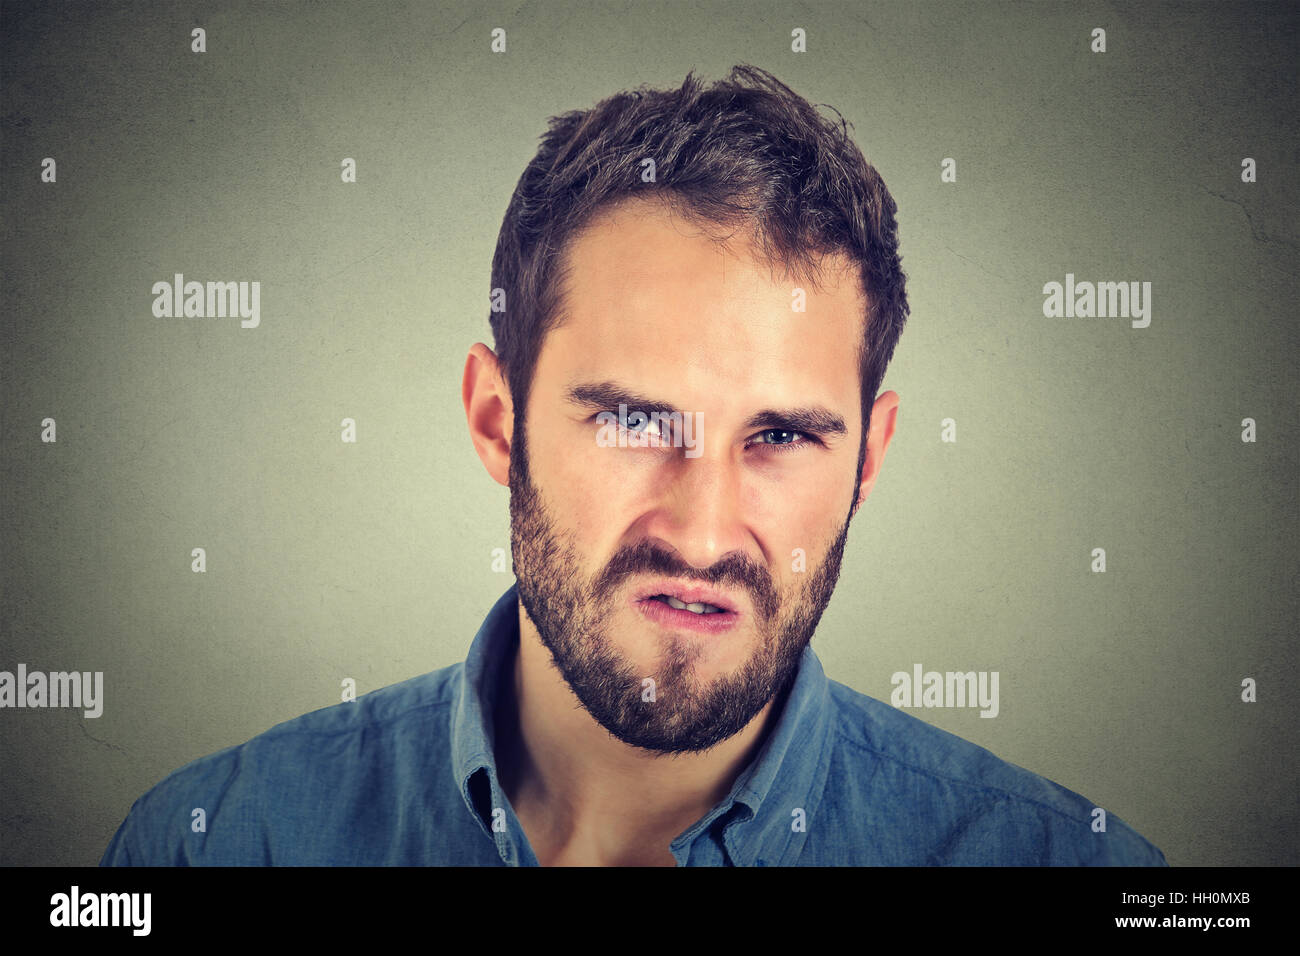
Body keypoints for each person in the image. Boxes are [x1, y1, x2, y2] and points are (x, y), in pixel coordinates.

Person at [102, 65, 1166, 866]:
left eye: (782, 436)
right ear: (493, 418)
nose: (703, 533)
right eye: (633, 421)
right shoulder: (217, 842)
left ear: (869, 458)